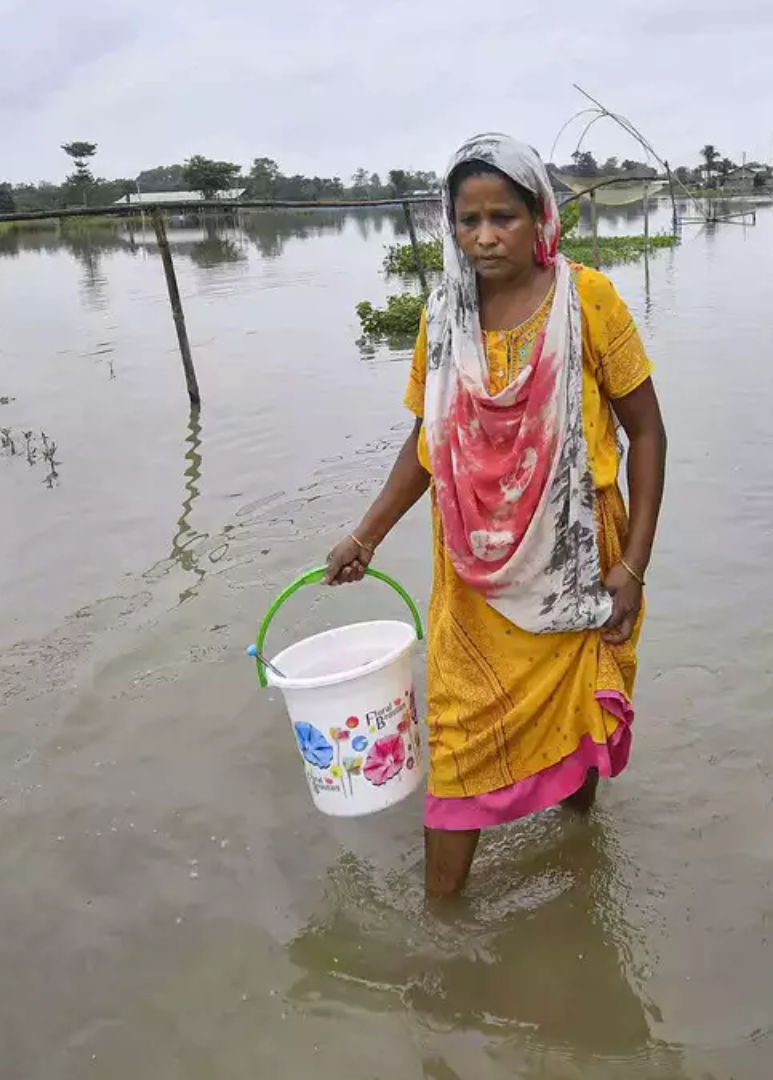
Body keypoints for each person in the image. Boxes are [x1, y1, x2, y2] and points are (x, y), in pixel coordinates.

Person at [324, 134, 668, 898]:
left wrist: (633, 566)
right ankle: (441, 923)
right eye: (467, 219)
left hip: (580, 557)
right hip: (475, 571)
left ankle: (582, 864)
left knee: (578, 713)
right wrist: (366, 534)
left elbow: (647, 431)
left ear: (539, 216)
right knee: (458, 733)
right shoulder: (444, 316)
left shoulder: (590, 301)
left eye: (503, 217)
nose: (484, 236)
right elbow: (428, 439)